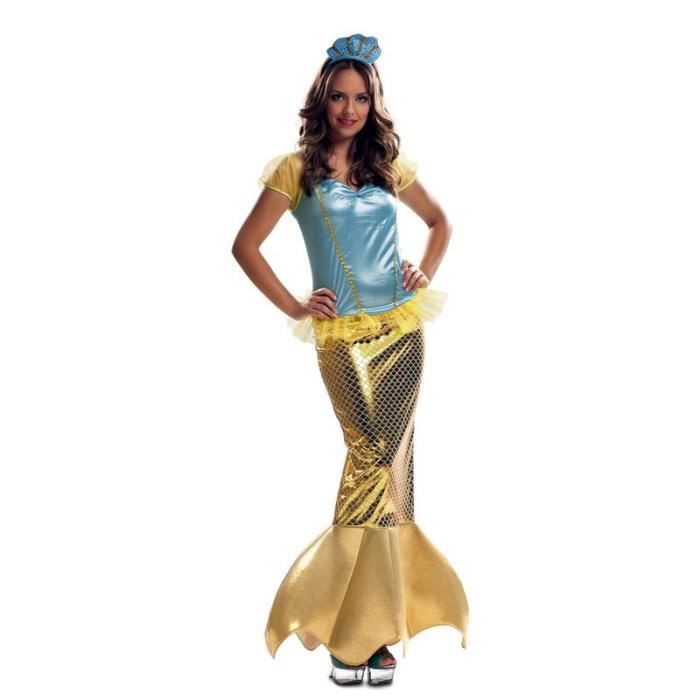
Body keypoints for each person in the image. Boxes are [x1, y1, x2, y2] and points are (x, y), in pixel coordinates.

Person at [232, 33, 469, 686]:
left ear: (374, 103)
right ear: (322, 100)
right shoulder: (295, 170)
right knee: (371, 459)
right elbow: (245, 246)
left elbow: (441, 223)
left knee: (394, 470)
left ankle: (375, 625)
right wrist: (296, 304)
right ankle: (347, 626)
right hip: (343, 340)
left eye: (362, 99)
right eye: (339, 97)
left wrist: (424, 270)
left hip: (402, 332)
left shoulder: (389, 164)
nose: (349, 109)